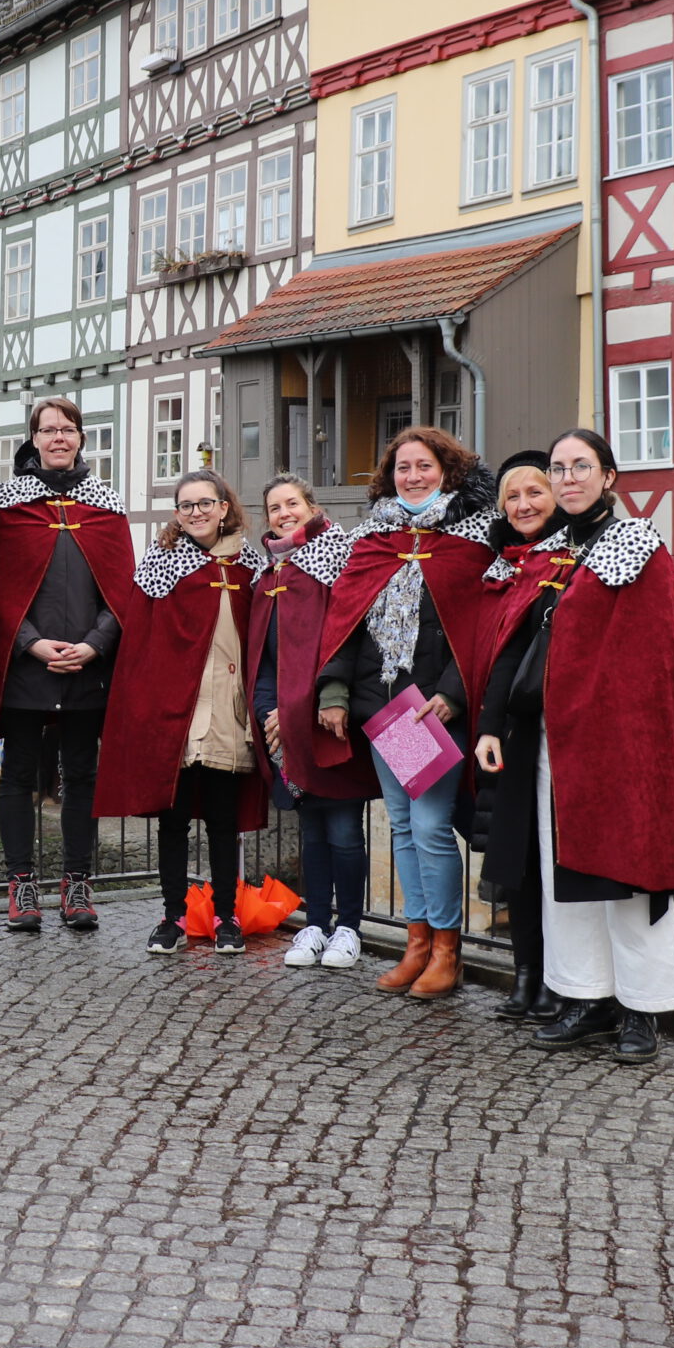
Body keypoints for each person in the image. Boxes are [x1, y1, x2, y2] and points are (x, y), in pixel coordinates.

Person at [479, 428, 674, 1064]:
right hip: (550, 740)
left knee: (623, 875)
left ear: (609, 478)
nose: (568, 478)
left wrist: (612, 723)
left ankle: (642, 1009)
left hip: (615, 743)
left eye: (581, 467)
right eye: (559, 468)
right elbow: (516, 643)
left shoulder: (636, 548)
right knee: (560, 878)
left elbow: (649, 656)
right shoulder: (548, 552)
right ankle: (586, 996)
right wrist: (493, 723)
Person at [315, 427, 498, 998]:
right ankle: (416, 943)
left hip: (428, 711)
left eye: (423, 466)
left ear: (447, 470)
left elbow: (475, 627)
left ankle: (446, 948)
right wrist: (335, 693)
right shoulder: (373, 538)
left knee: (429, 826)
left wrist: (453, 692)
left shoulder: (470, 541)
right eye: (402, 467)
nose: (412, 476)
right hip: (380, 705)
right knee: (400, 826)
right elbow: (347, 618)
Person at [98, 470, 269, 955]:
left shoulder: (250, 567)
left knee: (222, 819)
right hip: (176, 715)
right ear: (177, 514)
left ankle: (226, 917)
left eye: (205, 503)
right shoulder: (162, 565)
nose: (196, 512)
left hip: (229, 713)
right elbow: (141, 648)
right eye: (187, 505)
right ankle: (172, 916)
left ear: (223, 508)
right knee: (173, 822)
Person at [0, 399, 131, 933]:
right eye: (48, 430)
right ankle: (21, 883)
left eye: (68, 430)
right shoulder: (9, 507)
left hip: (89, 664)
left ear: (82, 438)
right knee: (18, 773)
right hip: (27, 664)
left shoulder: (106, 508)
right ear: (34, 439)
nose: (59, 438)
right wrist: (30, 644)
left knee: (82, 774)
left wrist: (95, 645)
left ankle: (77, 881)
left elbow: (122, 593)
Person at [249, 476, 379, 972]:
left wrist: (295, 707)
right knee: (312, 832)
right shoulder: (269, 574)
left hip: (327, 718)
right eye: (274, 507)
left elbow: (339, 643)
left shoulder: (337, 560)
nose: (283, 513)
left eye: (291, 504)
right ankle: (315, 922)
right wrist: (269, 711)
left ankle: (349, 926)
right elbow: (263, 657)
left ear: (311, 507)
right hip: (283, 725)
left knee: (345, 829)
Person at [468, 452, 569, 1025]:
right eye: (513, 496)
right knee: (520, 861)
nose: (524, 504)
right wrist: (486, 726)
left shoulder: (566, 559)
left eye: (535, 493)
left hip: (550, 732)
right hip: (510, 731)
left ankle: (558, 978)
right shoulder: (504, 564)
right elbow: (500, 656)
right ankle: (527, 973)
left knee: (553, 861)